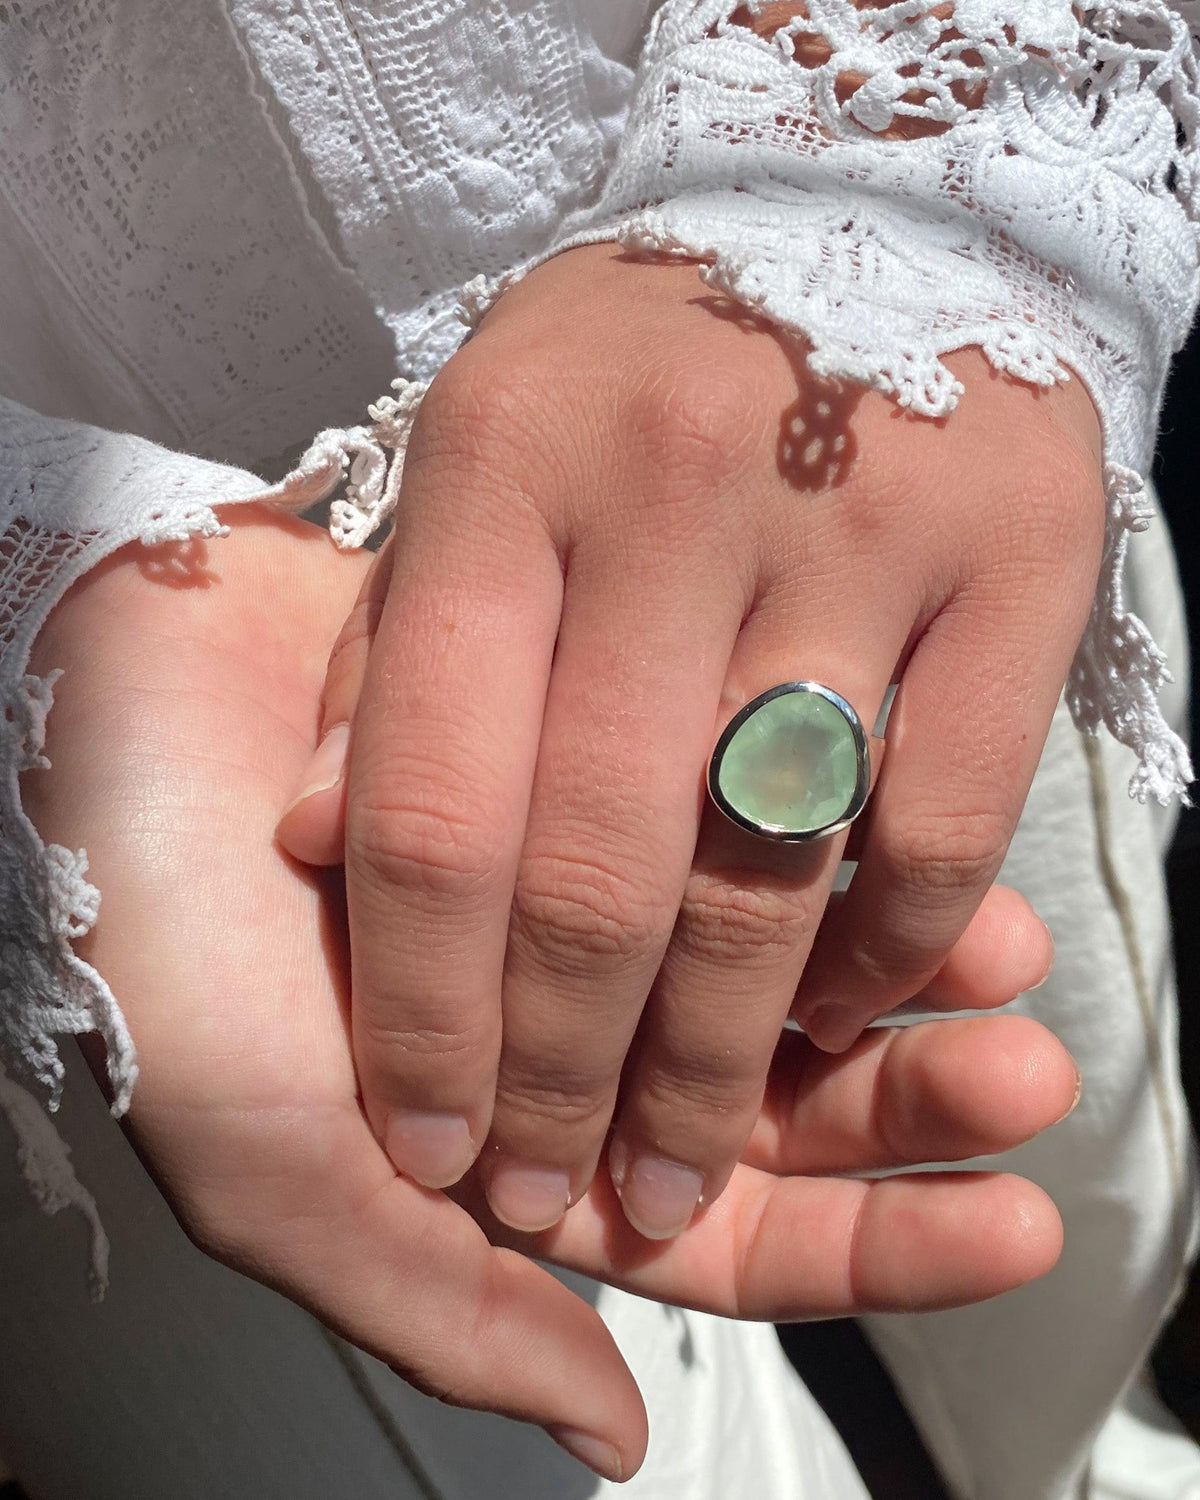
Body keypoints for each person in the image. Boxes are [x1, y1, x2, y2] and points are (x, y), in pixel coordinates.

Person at [0, 3, 1196, 1497]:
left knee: (1075, 1148)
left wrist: (903, 174)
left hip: (872, 448)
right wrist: (45, 587)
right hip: (145, 829)